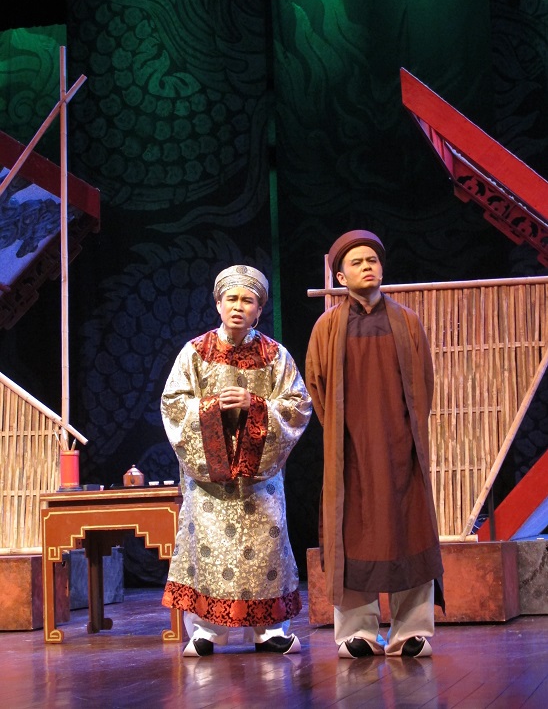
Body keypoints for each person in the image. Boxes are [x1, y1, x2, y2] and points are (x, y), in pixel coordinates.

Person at [305, 229, 444, 659]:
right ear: (340, 277)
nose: (367, 267)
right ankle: (358, 632)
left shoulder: (407, 321)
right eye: (357, 263)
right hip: (349, 450)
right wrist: (344, 434)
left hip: (401, 447)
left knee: (410, 529)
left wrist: (404, 434)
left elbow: (423, 385)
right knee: (351, 534)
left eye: (373, 260)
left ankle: (410, 631)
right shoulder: (328, 327)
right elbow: (317, 385)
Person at [161, 264, 312, 656]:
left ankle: (269, 629)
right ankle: (206, 630)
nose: (239, 306)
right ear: (218, 304)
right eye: (232, 299)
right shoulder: (195, 353)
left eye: (248, 300)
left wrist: (255, 405)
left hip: (259, 480)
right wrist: (212, 408)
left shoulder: (275, 356)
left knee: (266, 548)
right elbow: (174, 405)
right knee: (208, 549)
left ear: (259, 309)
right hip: (210, 481)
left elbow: (297, 405)